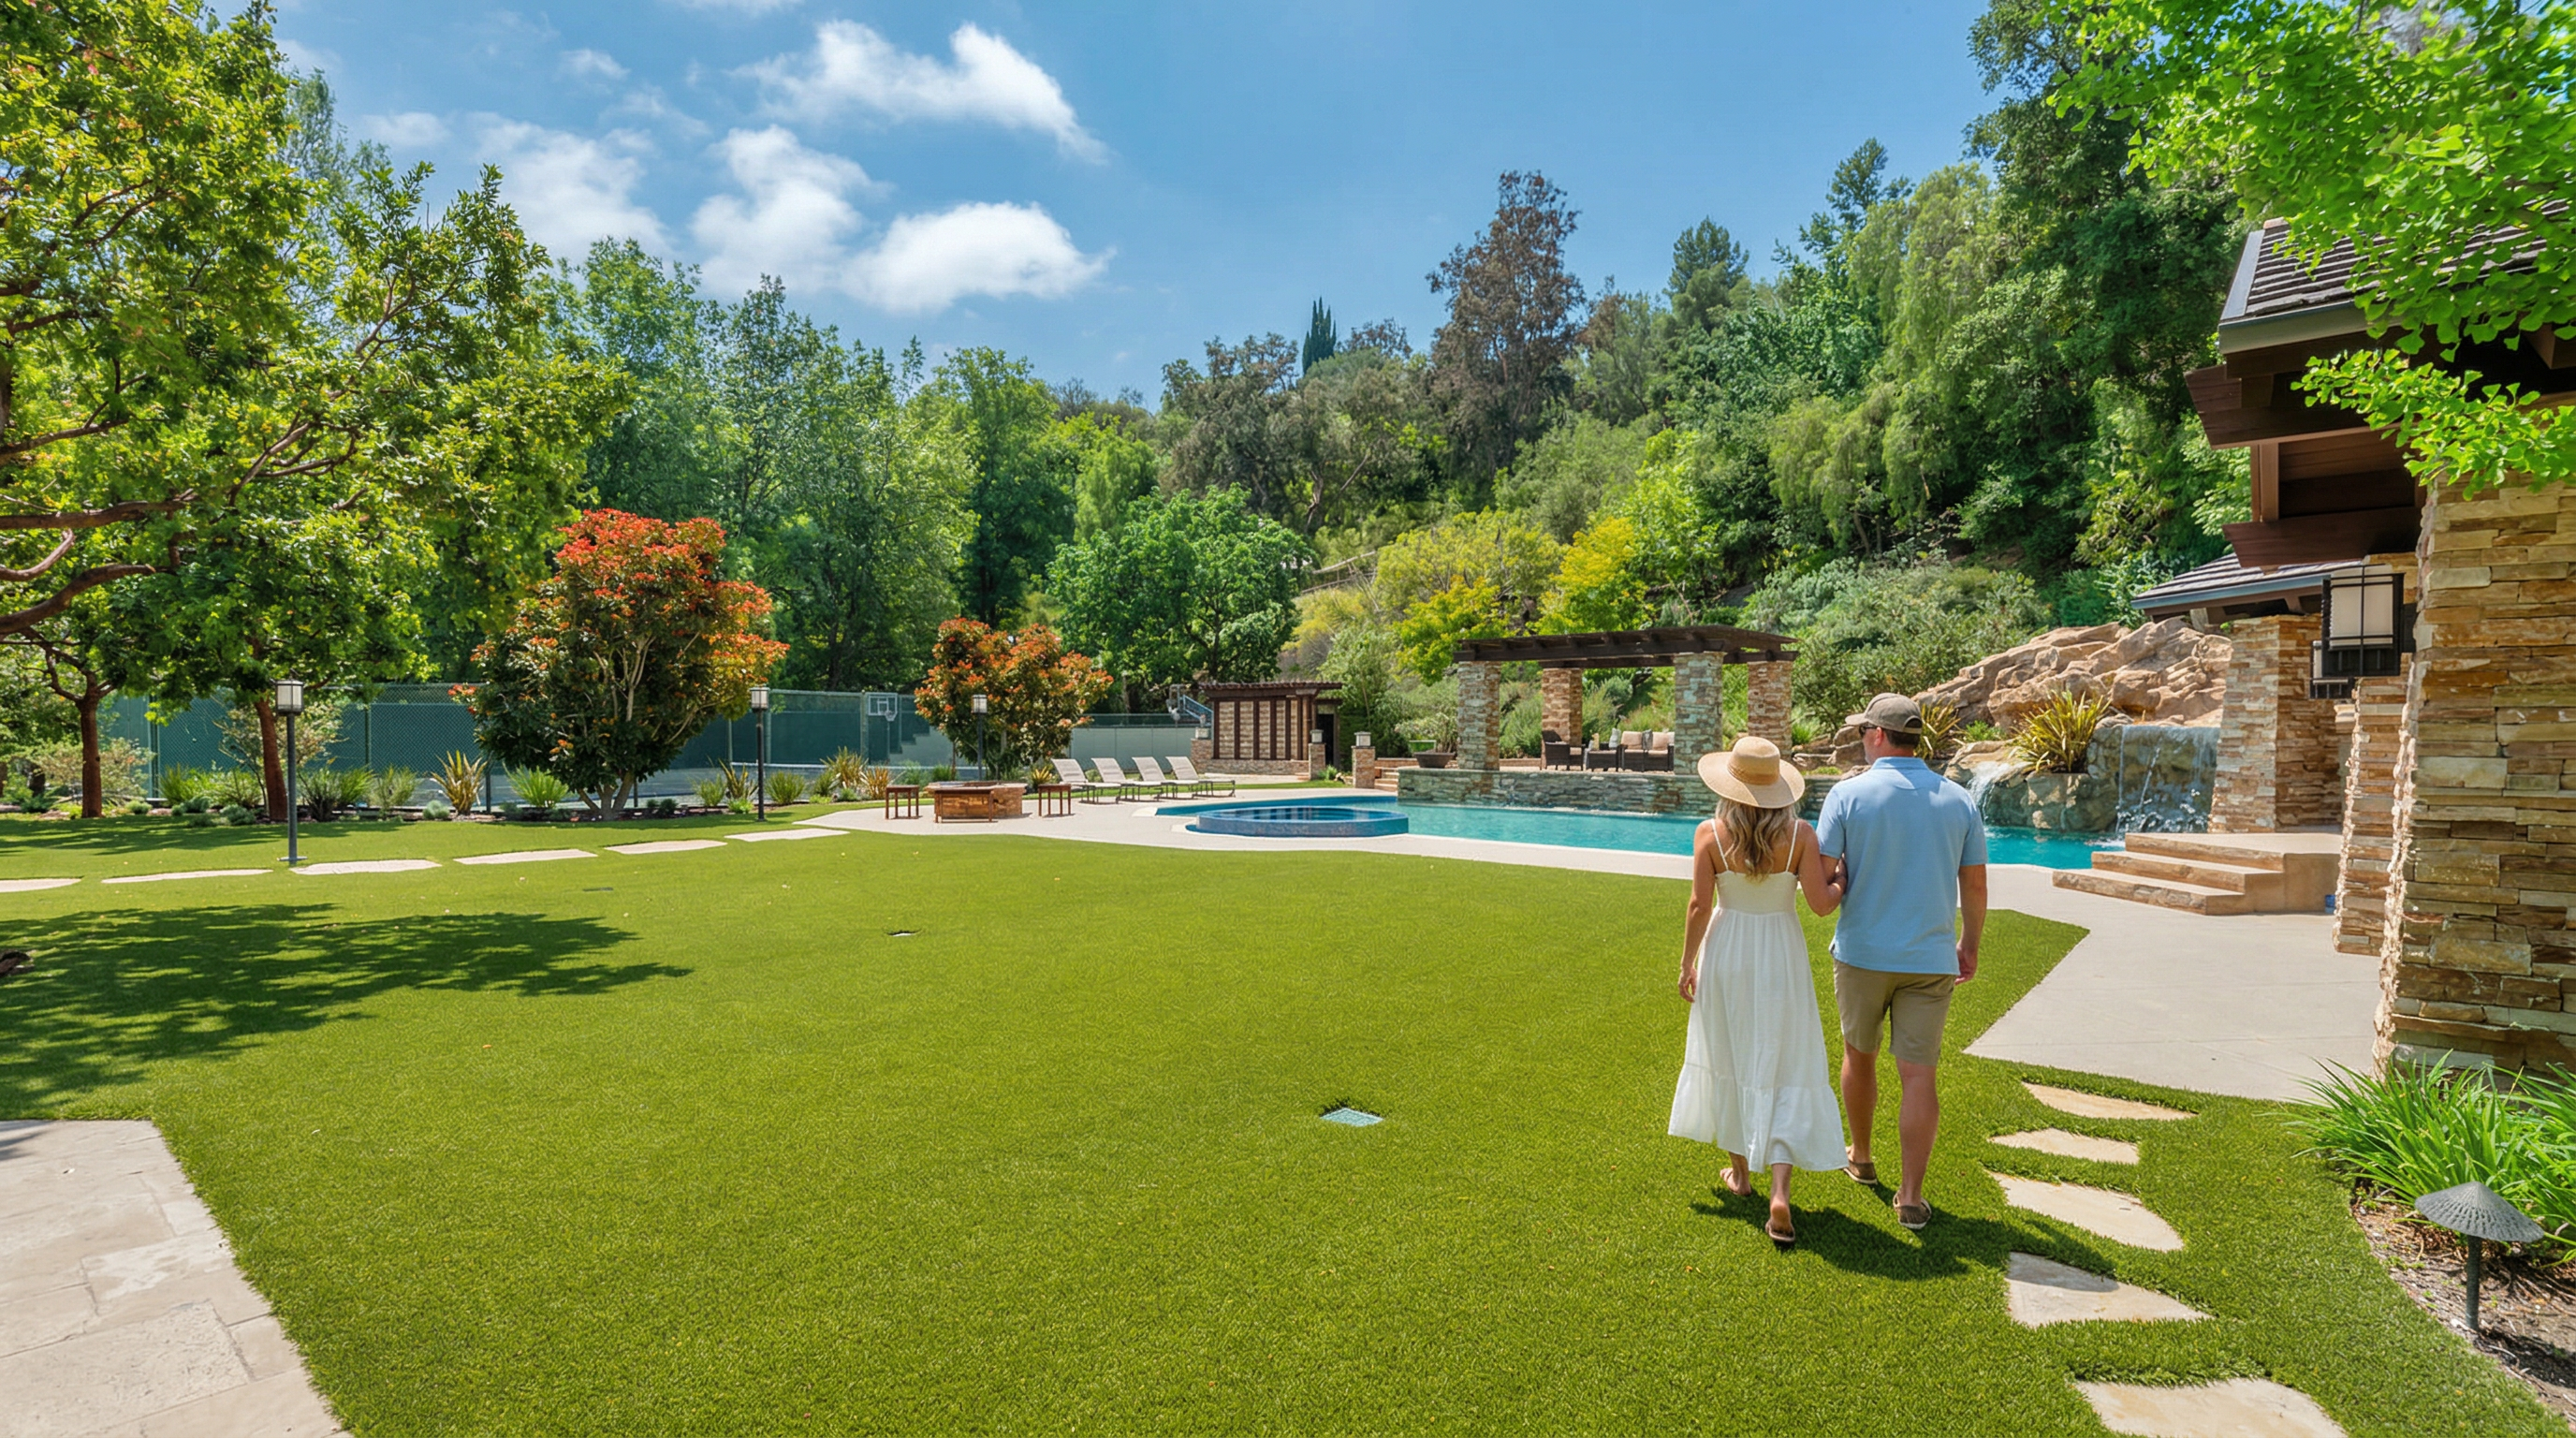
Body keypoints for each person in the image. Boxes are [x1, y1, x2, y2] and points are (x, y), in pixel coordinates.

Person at [1815, 693, 1988, 1232]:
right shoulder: (1959, 800)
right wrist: (1970, 943)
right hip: (1931, 957)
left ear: (1876, 735)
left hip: (1863, 954)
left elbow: (1821, 883)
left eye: (1862, 731)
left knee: (1858, 1055)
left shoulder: (1847, 796)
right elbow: (1976, 883)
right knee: (1919, 1076)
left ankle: (1862, 1159)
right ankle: (1911, 1197)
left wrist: (1843, 875)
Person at [1668, 735, 1848, 1247]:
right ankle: (1780, 1191)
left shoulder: (1709, 833)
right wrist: (1842, 881)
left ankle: (1741, 1176)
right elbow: (1819, 904)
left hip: (1727, 952)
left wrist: (1686, 963)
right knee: (1786, 1058)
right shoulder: (1800, 836)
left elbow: (1699, 906)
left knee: (1730, 1052)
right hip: (1780, 955)